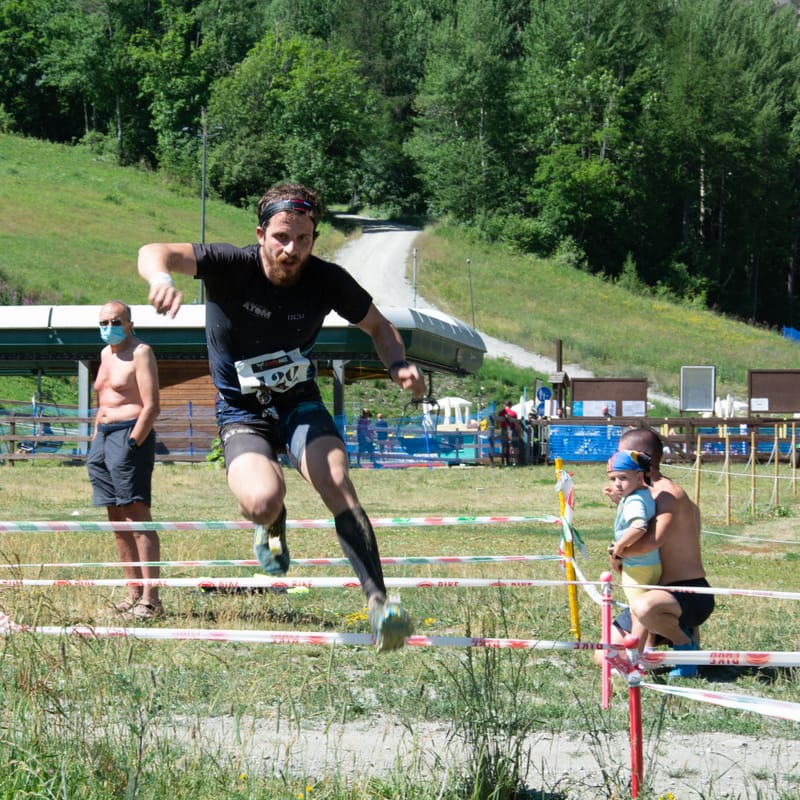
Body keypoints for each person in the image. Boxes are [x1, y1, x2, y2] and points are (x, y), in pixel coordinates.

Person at [137, 181, 426, 651]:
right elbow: (155, 250)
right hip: (241, 409)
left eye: (304, 240)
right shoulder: (230, 265)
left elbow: (378, 326)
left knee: (335, 477)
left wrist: (398, 364)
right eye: (281, 238)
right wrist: (160, 280)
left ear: (314, 238)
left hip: (297, 401)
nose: (292, 250)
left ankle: (379, 603)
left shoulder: (327, 279)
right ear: (261, 234)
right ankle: (273, 521)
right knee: (260, 500)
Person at [596, 427, 714, 678]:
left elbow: (653, 540)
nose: (615, 465)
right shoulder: (642, 494)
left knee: (645, 607)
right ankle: (656, 647)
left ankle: (684, 640)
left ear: (639, 459)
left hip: (685, 593)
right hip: (651, 590)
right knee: (604, 656)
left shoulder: (667, 494)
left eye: (620, 455)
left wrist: (616, 553)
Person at [86, 300, 162, 619]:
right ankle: (132, 591)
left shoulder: (141, 352)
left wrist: (133, 442)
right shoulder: (105, 354)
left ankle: (151, 599)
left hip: (128, 434)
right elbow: (102, 399)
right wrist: (95, 439)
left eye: (115, 321)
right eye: (103, 322)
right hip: (102, 439)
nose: (109, 327)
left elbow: (151, 405)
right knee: (116, 518)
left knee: (135, 513)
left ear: (129, 322)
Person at [605, 449, 659, 647]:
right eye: (613, 479)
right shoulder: (642, 495)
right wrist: (619, 500)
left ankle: (640, 656)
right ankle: (649, 650)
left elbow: (639, 526)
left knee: (639, 613)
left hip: (637, 568)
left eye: (623, 478)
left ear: (639, 476)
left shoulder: (635, 499)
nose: (617, 483)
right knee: (646, 609)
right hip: (651, 564)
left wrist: (619, 545)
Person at [497, 400, 518, 466]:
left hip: (504, 430)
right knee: (514, 447)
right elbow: (516, 423)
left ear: (504, 405)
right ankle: (515, 462)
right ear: (511, 405)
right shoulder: (514, 413)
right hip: (512, 430)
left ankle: (504, 461)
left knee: (504, 447)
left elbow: (498, 422)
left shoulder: (501, 412)